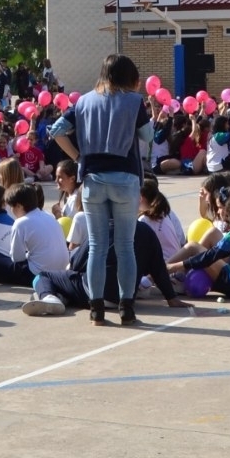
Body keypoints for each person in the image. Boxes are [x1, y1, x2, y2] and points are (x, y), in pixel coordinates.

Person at [50, 53, 148, 326]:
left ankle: (96, 310)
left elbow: (56, 130)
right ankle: (126, 308)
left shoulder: (83, 101)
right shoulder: (134, 101)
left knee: (97, 247)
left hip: (92, 180)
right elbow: (148, 135)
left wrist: (78, 156)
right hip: (125, 178)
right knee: (125, 247)